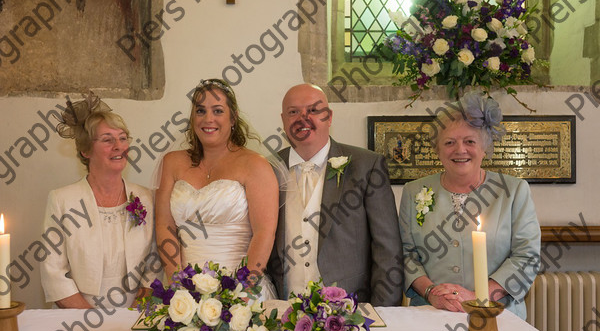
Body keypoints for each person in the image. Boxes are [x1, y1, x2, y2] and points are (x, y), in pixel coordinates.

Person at [399, 92, 541, 319]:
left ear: (484, 148)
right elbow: (406, 255)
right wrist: (431, 292)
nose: (460, 150)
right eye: (449, 142)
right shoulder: (413, 191)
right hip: (431, 313)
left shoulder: (514, 191)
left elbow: (526, 257)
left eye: (470, 141)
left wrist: (478, 297)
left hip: (497, 315)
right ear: (437, 149)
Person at [267, 83, 402, 305]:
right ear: (283, 120)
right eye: (294, 112)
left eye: (313, 110)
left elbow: (387, 250)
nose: (303, 118)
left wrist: (385, 314)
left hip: (350, 313)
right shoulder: (267, 169)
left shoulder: (366, 166)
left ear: (329, 117)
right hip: (283, 311)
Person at [155, 79, 279, 299]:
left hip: (241, 291)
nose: (208, 119)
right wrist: (178, 284)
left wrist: (240, 291)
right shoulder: (172, 162)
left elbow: (264, 233)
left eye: (218, 111)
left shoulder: (254, 165)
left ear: (233, 117)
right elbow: (165, 226)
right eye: (200, 111)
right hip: (184, 293)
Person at [40, 92, 160, 309]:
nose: (118, 146)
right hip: (79, 320)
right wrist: (92, 322)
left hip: (133, 318)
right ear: (86, 150)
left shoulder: (145, 197)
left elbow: (153, 262)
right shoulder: (62, 200)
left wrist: (132, 315)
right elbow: (54, 272)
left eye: (123, 138)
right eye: (107, 140)